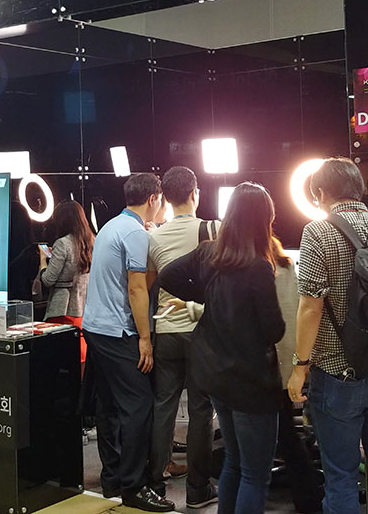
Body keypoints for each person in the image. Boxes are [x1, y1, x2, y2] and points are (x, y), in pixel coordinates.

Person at [288, 157, 368, 514]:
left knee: (341, 476)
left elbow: (310, 306)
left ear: (319, 193)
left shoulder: (318, 232)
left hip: (338, 375)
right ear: (361, 189)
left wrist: (300, 366)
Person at [158, 182, 286, 514]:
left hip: (216, 375)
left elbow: (167, 275)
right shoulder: (258, 267)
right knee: (255, 475)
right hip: (251, 383)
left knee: (234, 463)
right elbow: (274, 329)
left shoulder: (208, 253)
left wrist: (205, 296)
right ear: (264, 219)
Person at [81, 172, 174, 512]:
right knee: (139, 405)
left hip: (95, 327)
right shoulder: (135, 233)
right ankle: (135, 486)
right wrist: (145, 339)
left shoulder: (113, 226)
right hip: (118, 331)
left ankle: (113, 479)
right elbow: (136, 288)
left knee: (109, 406)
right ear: (153, 199)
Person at [146, 166, 218, 507]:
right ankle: (197, 489)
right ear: (194, 194)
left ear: (166, 199)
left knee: (164, 405)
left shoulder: (154, 237)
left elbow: (149, 285)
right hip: (201, 328)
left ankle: (156, 482)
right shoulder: (213, 229)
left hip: (166, 330)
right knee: (201, 409)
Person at [272, 238, 323, 514]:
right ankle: (309, 498)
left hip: (269, 366)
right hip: (293, 359)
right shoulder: (288, 265)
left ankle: (308, 500)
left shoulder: (257, 271)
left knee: (284, 437)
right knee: (289, 436)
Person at [40, 201, 93, 359]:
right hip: (84, 308)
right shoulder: (92, 241)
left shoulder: (62, 243)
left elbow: (48, 279)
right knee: (80, 358)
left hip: (63, 310)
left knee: (60, 358)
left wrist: (43, 261)